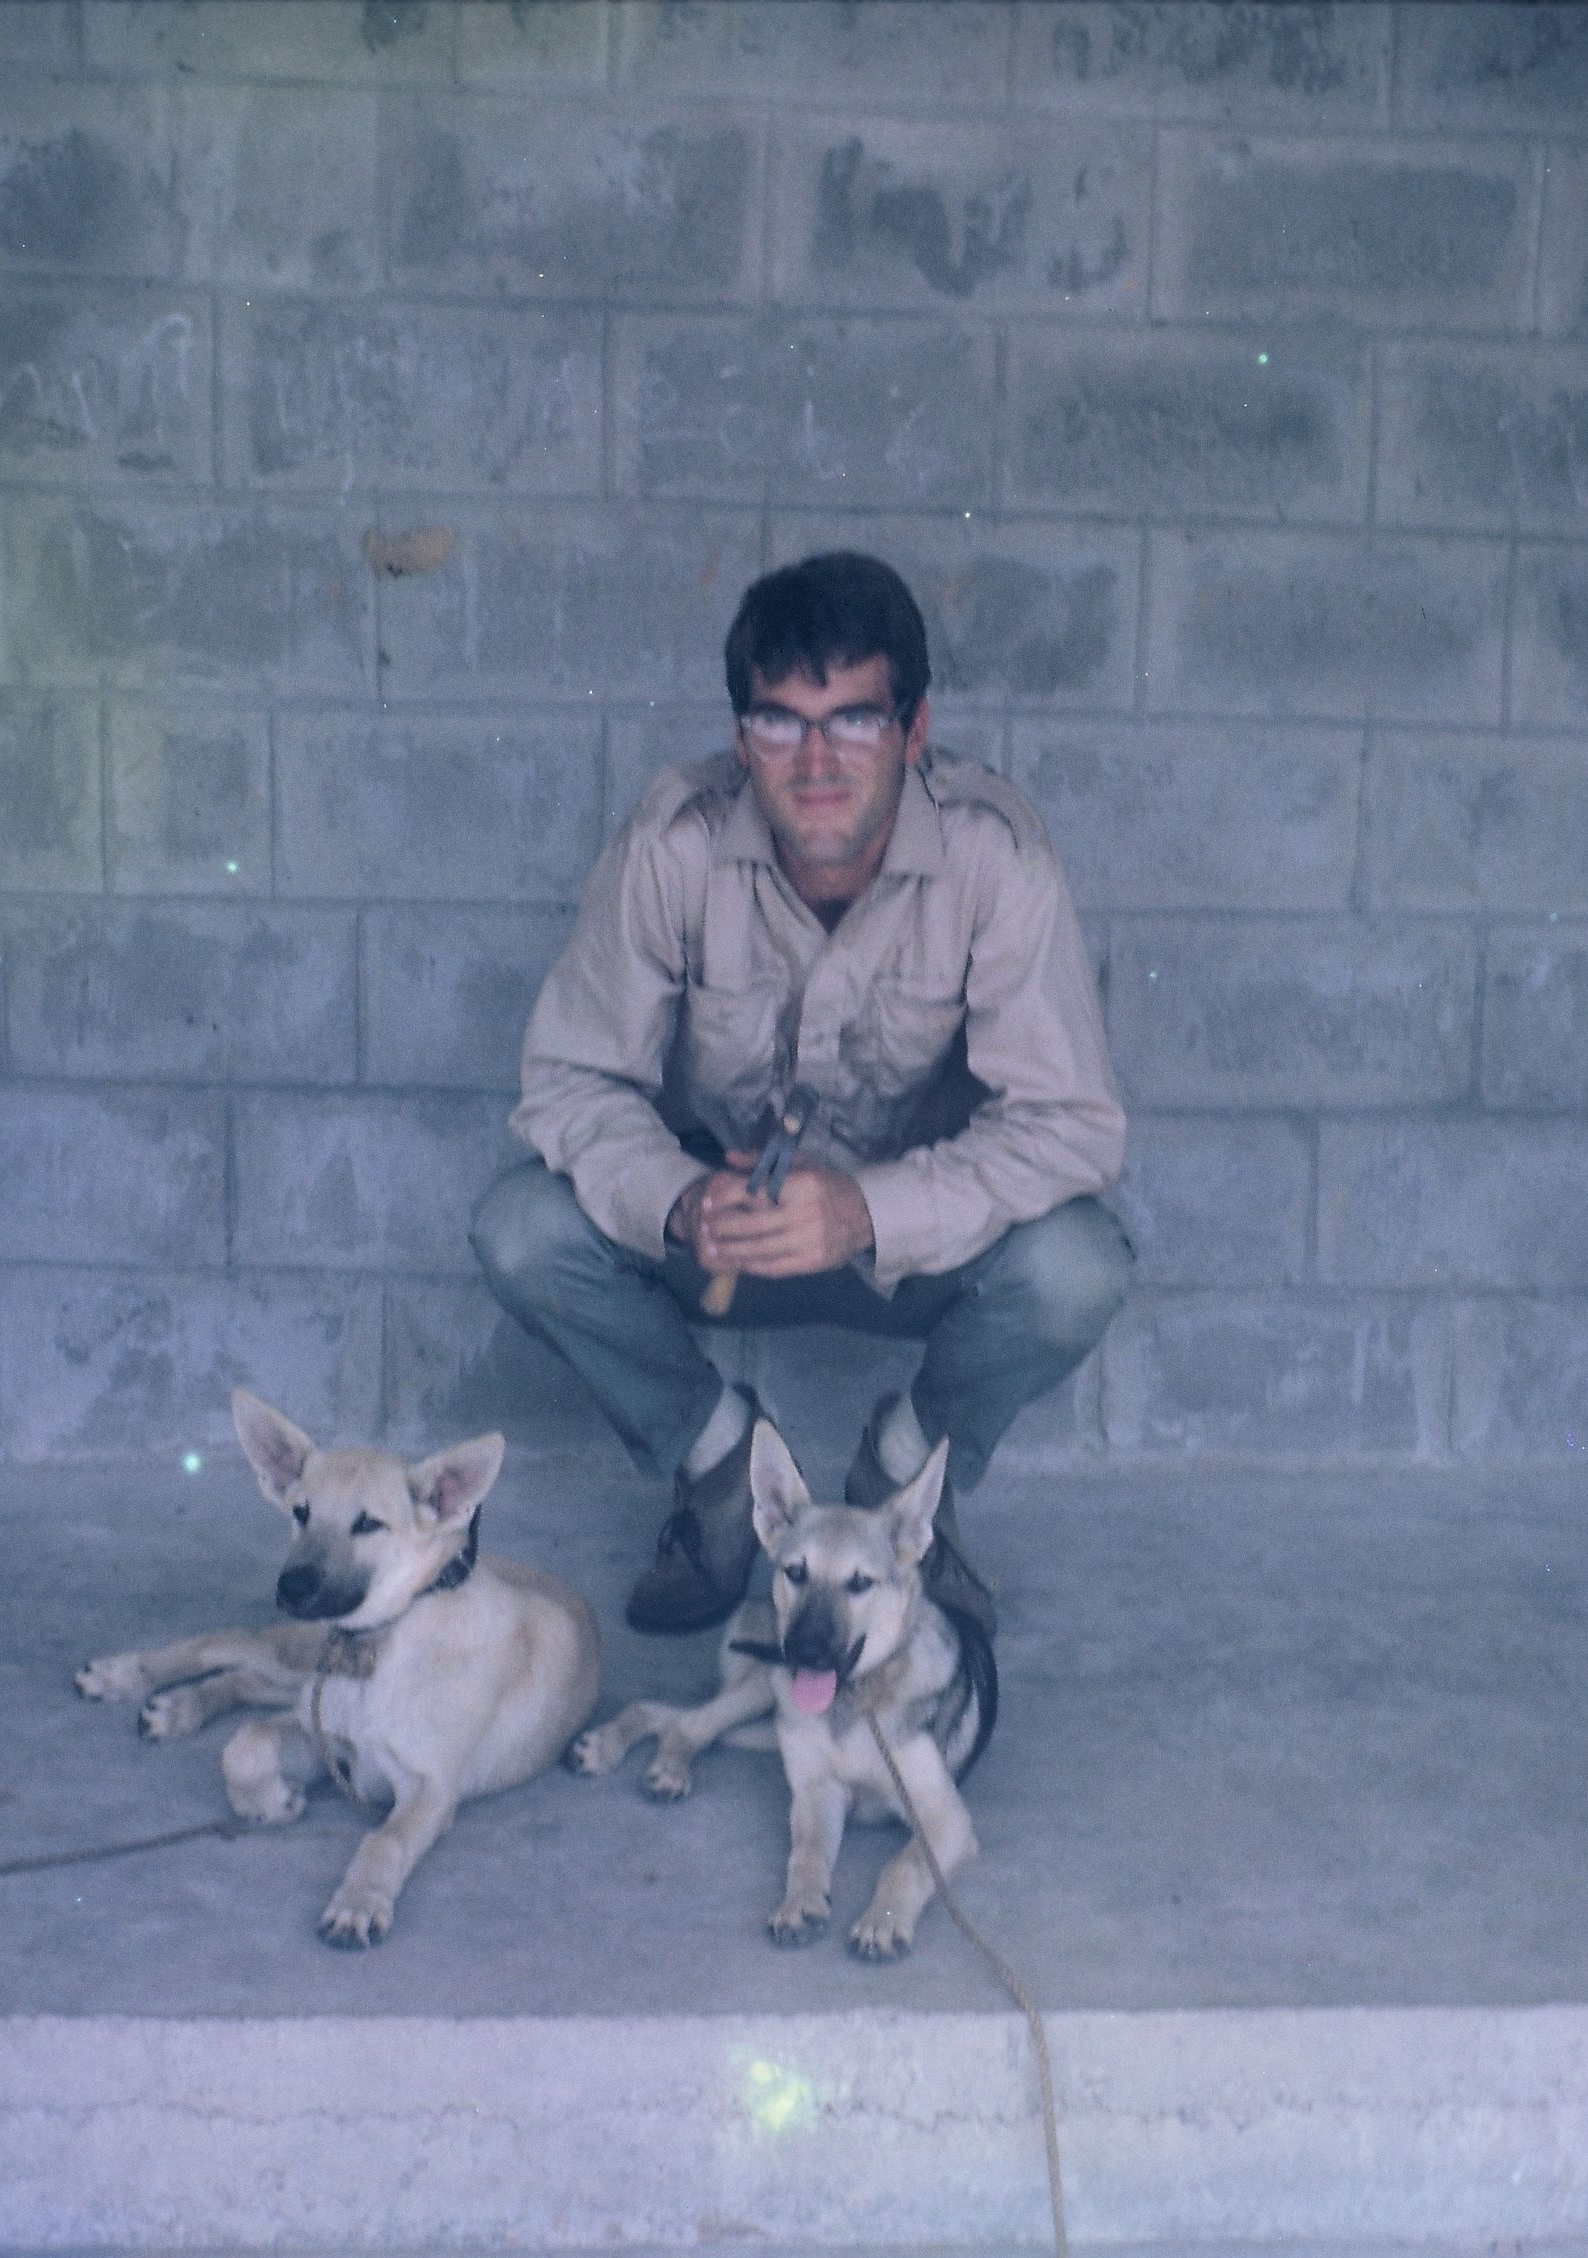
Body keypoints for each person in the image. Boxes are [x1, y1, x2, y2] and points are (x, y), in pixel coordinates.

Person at [470, 549, 1131, 1638]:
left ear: (914, 734)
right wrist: (679, 1200)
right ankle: (720, 1467)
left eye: (856, 721)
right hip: (725, 1247)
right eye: (780, 722)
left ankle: (899, 1494)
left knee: (1078, 1267)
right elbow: (570, 1082)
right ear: (742, 740)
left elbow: (1071, 1127)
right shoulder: (671, 842)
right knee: (521, 1228)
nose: (816, 761)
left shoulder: (996, 856)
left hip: (910, 1254)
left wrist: (867, 1211)